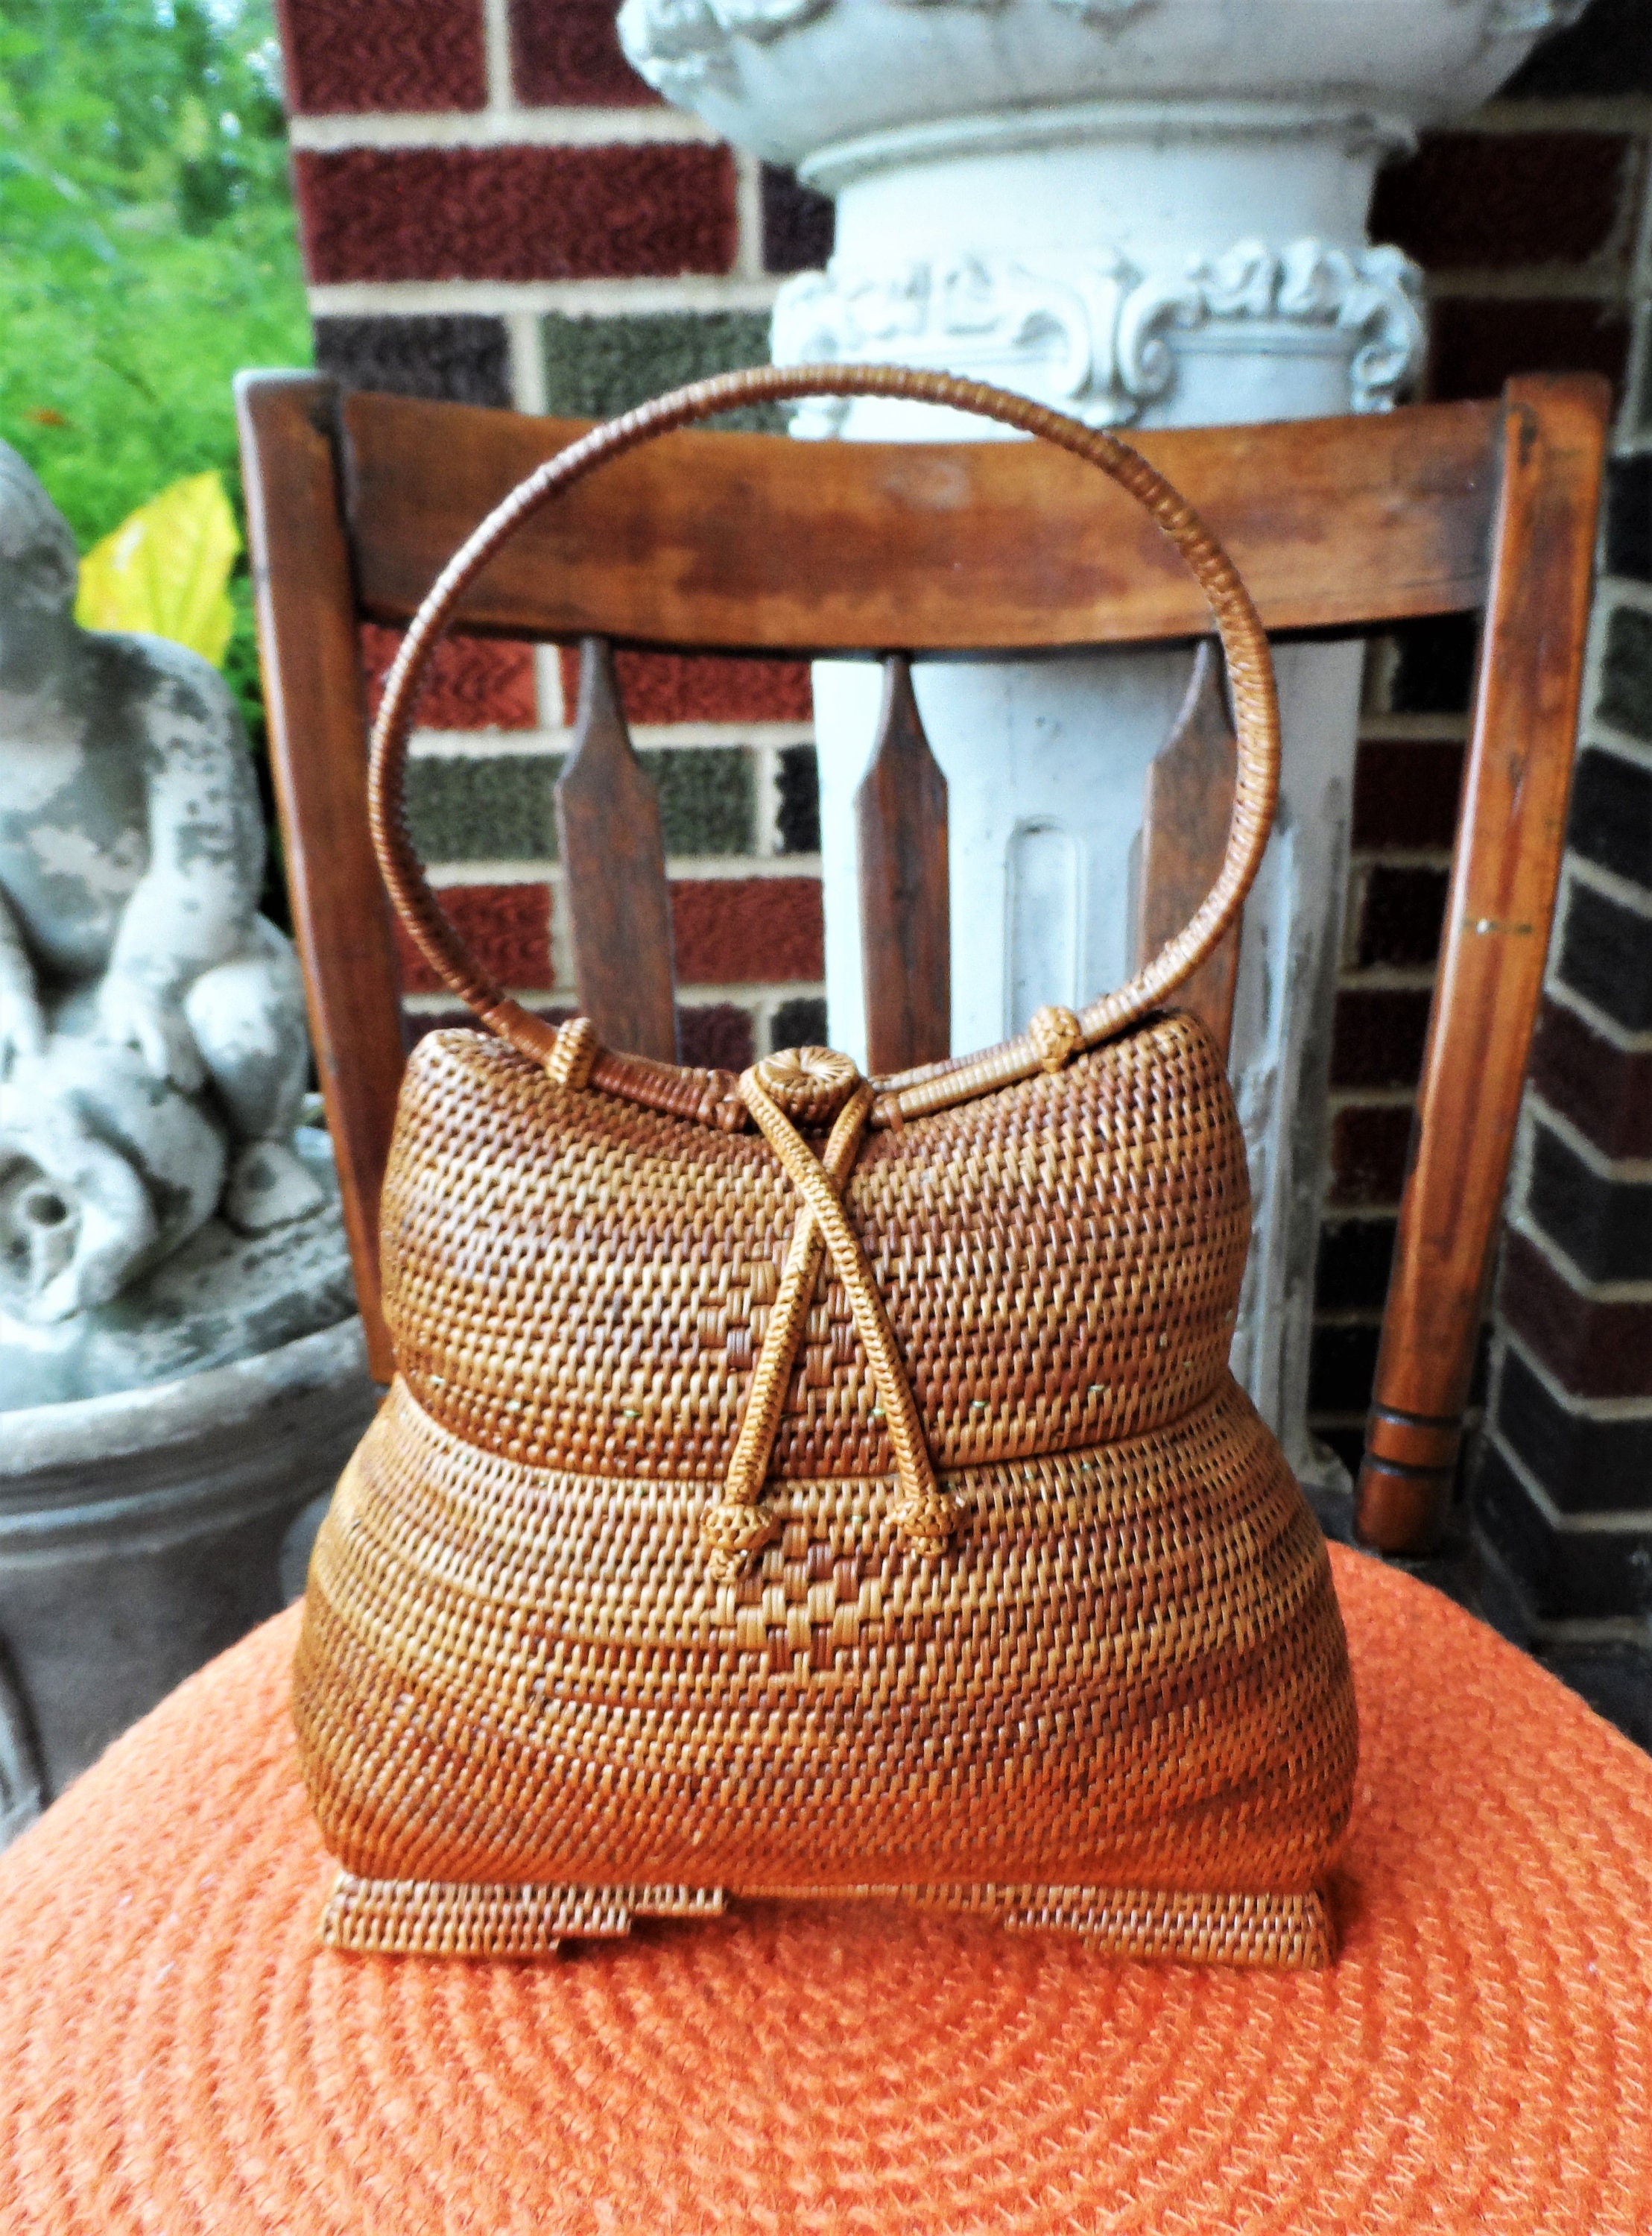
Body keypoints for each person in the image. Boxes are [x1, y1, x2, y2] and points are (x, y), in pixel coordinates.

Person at [0, 443, 318, 1318]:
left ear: (44, 573)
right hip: (58, 991)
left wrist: (147, 979)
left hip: (190, 962)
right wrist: (12, 997)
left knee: (245, 1020)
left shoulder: (159, 691)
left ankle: (260, 1148)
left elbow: (207, 863)